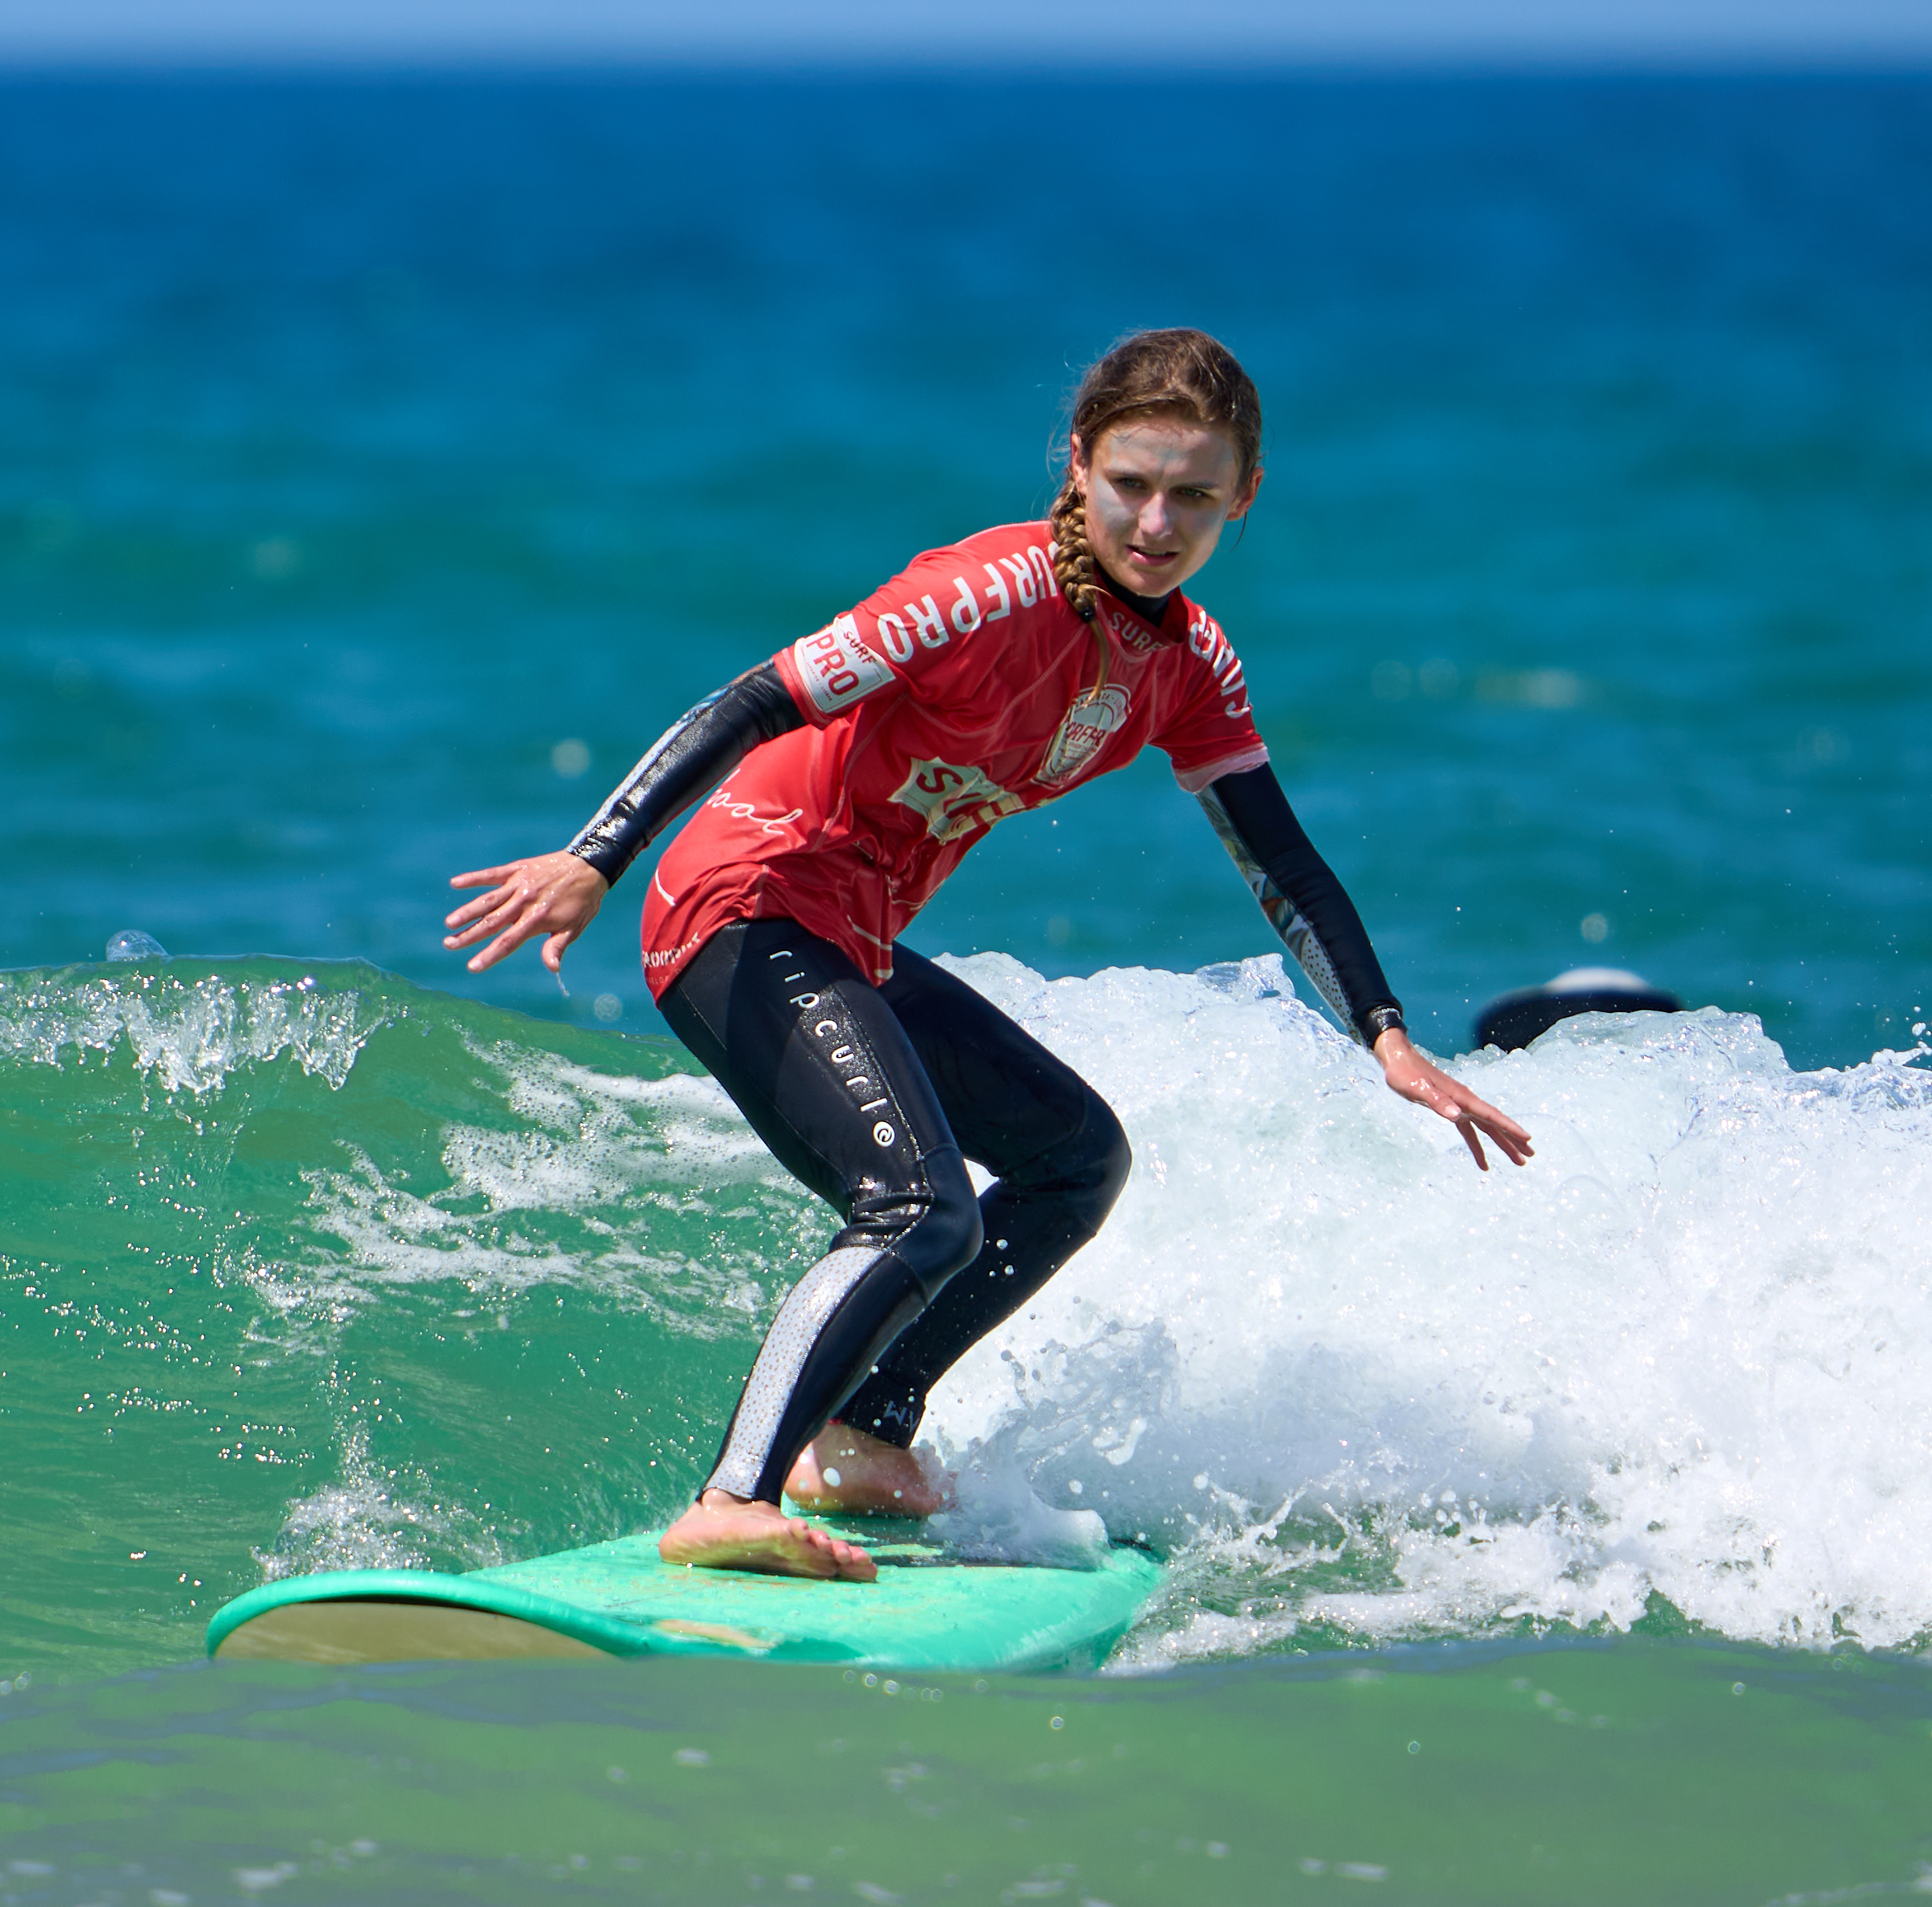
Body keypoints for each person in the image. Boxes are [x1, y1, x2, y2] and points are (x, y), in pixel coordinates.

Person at [444, 328, 1532, 1583]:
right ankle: (733, 1497)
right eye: (1131, 482)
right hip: (742, 905)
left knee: (1076, 1160)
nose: (1157, 520)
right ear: (1078, 466)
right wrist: (598, 851)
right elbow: (756, 698)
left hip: (849, 934)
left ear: (1246, 497)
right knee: (918, 1210)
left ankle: (862, 1436)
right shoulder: (982, 591)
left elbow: (1280, 861)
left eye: (1194, 494)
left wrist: (1386, 1037)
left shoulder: (1189, 667)